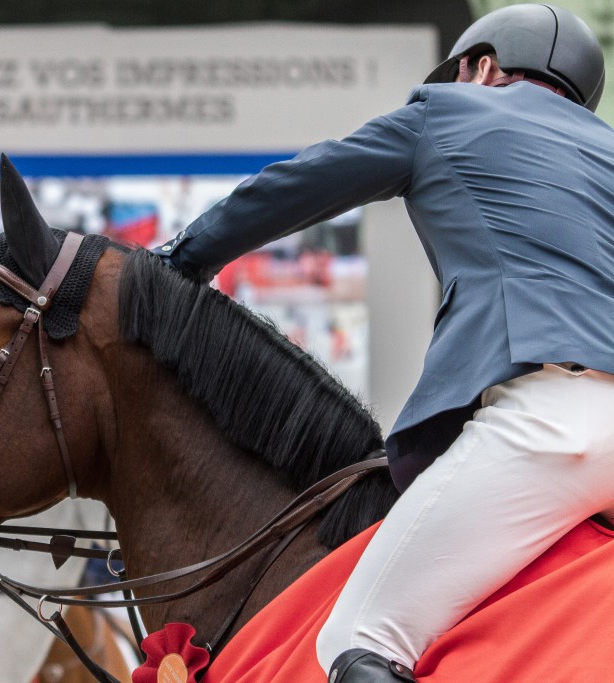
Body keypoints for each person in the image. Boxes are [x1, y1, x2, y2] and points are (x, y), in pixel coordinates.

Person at [155, 4, 611, 681]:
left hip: (551, 423)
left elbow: (298, 186)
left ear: (483, 67)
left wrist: (177, 260)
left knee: (360, 636)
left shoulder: (448, 113)